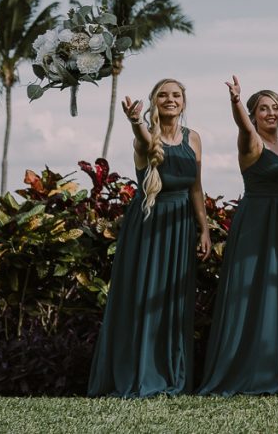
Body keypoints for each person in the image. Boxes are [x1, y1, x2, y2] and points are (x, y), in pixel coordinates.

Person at [89, 78, 211, 397]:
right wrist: (133, 121)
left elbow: (196, 187)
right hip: (150, 224)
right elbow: (147, 143)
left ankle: (173, 373)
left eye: (176, 95)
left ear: (183, 102)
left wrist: (205, 228)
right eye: (163, 95)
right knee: (145, 298)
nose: (170, 99)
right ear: (154, 102)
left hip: (182, 224)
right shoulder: (145, 138)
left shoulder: (194, 138)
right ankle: (144, 374)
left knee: (174, 300)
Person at [199, 78, 278, 395]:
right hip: (256, 224)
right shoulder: (251, 142)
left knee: (274, 293)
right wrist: (236, 101)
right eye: (263, 108)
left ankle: (271, 370)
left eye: (275, 108)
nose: (270, 113)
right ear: (253, 114)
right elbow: (244, 127)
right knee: (247, 293)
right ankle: (240, 369)